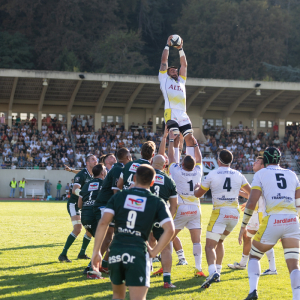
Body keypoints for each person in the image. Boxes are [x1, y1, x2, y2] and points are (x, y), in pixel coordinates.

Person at [91, 165, 175, 300]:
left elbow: (103, 223)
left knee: (117, 296)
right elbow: (170, 229)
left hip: (116, 251)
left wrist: (96, 252)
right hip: (138, 253)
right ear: (152, 182)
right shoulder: (157, 202)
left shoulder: (118, 197)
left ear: (134, 178)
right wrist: (154, 252)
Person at [239, 147, 300, 300]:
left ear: (265, 160)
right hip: (292, 220)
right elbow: (299, 203)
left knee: (254, 257)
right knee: (294, 265)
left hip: (272, 219)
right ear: (280, 159)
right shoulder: (292, 174)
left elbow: (252, 202)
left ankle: (253, 291)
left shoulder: (261, 173)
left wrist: (243, 225)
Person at [194, 149, 251, 288]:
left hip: (220, 212)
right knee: (220, 241)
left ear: (218, 160)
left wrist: (196, 187)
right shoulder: (238, 174)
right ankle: (217, 272)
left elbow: (198, 194)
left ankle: (212, 272)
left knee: (209, 246)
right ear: (231, 161)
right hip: (234, 214)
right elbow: (251, 192)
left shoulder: (212, 174)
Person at [228, 156, 277, 275]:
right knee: (250, 237)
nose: (254, 163)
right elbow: (257, 196)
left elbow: (256, 196)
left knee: (258, 239)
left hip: (259, 215)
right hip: (259, 213)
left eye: (257, 162)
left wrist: (239, 193)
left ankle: (269, 268)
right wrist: (248, 200)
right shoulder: (264, 176)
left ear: (262, 166)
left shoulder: (260, 176)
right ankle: (246, 264)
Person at [168, 130, 206, 277]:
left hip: (181, 208)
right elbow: (200, 159)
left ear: (182, 163)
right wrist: (195, 144)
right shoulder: (197, 171)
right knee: (196, 241)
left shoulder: (177, 172)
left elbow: (171, 157)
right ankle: (199, 269)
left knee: (168, 238)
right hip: (196, 209)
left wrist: (171, 141)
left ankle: (166, 269)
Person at [93, 148, 132, 274]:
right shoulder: (118, 169)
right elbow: (115, 190)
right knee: (108, 236)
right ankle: (93, 266)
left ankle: (103, 264)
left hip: (108, 204)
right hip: (105, 205)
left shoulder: (118, 168)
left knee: (111, 236)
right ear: (127, 157)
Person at [159, 35, 196, 160]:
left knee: (189, 138)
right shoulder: (164, 79)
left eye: (176, 70)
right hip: (171, 112)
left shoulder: (181, 81)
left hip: (183, 113)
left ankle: (190, 163)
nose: (175, 71)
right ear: (168, 73)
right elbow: (164, 61)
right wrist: (167, 45)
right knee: (175, 136)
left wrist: (181, 49)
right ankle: (174, 162)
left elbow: (184, 65)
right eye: (172, 70)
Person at [58, 154, 98, 263]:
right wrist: (85, 194)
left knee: (89, 230)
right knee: (78, 229)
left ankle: (81, 253)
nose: (96, 161)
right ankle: (63, 254)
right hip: (74, 204)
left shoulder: (91, 174)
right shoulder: (83, 174)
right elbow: (74, 189)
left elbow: (80, 172)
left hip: (84, 205)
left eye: (96, 159)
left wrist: (71, 170)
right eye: (93, 159)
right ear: (88, 163)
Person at [150, 154, 178, 288]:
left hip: (145, 215)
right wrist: (167, 221)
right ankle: (167, 281)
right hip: (162, 216)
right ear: (165, 166)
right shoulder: (169, 180)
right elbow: (174, 206)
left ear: (151, 162)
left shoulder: (144, 175)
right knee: (166, 248)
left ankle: (143, 275)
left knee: (146, 243)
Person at [78, 163, 107, 278]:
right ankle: (92, 269)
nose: (105, 171)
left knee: (103, 242)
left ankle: (99, 266)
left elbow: (79, 204)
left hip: (84, 216)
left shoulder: (85, 185)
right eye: (105, 170)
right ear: (102, 173)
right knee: (103, 243)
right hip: (95, 215)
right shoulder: (104, 184)